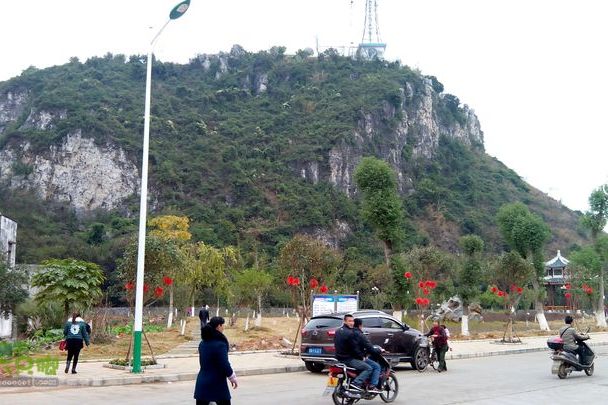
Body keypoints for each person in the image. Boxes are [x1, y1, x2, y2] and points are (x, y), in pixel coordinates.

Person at [194, 316, 237, 405]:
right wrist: (232, 377)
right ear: (218, 326)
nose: (223, 328)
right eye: (222, 325)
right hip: (216, 383)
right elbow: (224, 364)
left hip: (202, 382)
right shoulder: (220, 344)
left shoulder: (202, 343)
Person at [334, 314, 372, 391]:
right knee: (369, 368)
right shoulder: (351, 333)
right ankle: (356, 383)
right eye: (349, 321)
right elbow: (354, 349)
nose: (352, 323)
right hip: (349, 359)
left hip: (339, 358)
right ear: (344, 321)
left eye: (352, 321)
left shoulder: (337, 331)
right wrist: (362, 357)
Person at [353, 318, 382, 392]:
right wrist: (379, 350)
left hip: (347, 357)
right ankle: (372, 385)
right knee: (376, 366)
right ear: (360, 325)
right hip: (357, 358)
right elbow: (370, 348)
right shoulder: (360, 335)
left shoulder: (349, 333)